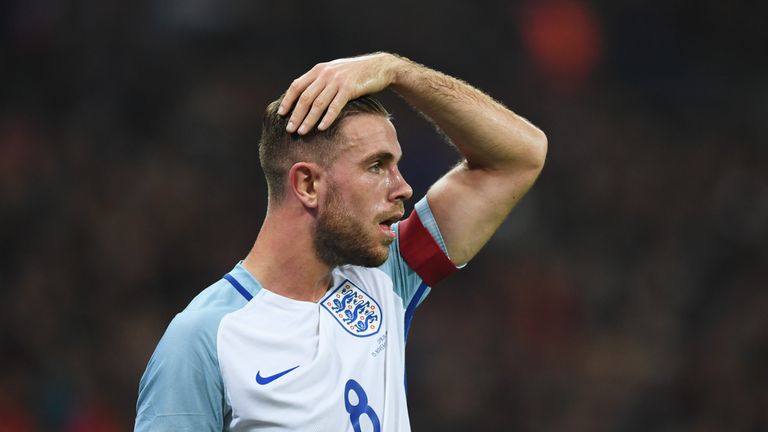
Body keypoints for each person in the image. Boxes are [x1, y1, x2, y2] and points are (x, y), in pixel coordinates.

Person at [135, 52, 547, 431]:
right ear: (308, 184)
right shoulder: (205, 338)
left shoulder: (388, 277)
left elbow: (520, 156)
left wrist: (398, 71)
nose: (403, 188)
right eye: (376, 166)